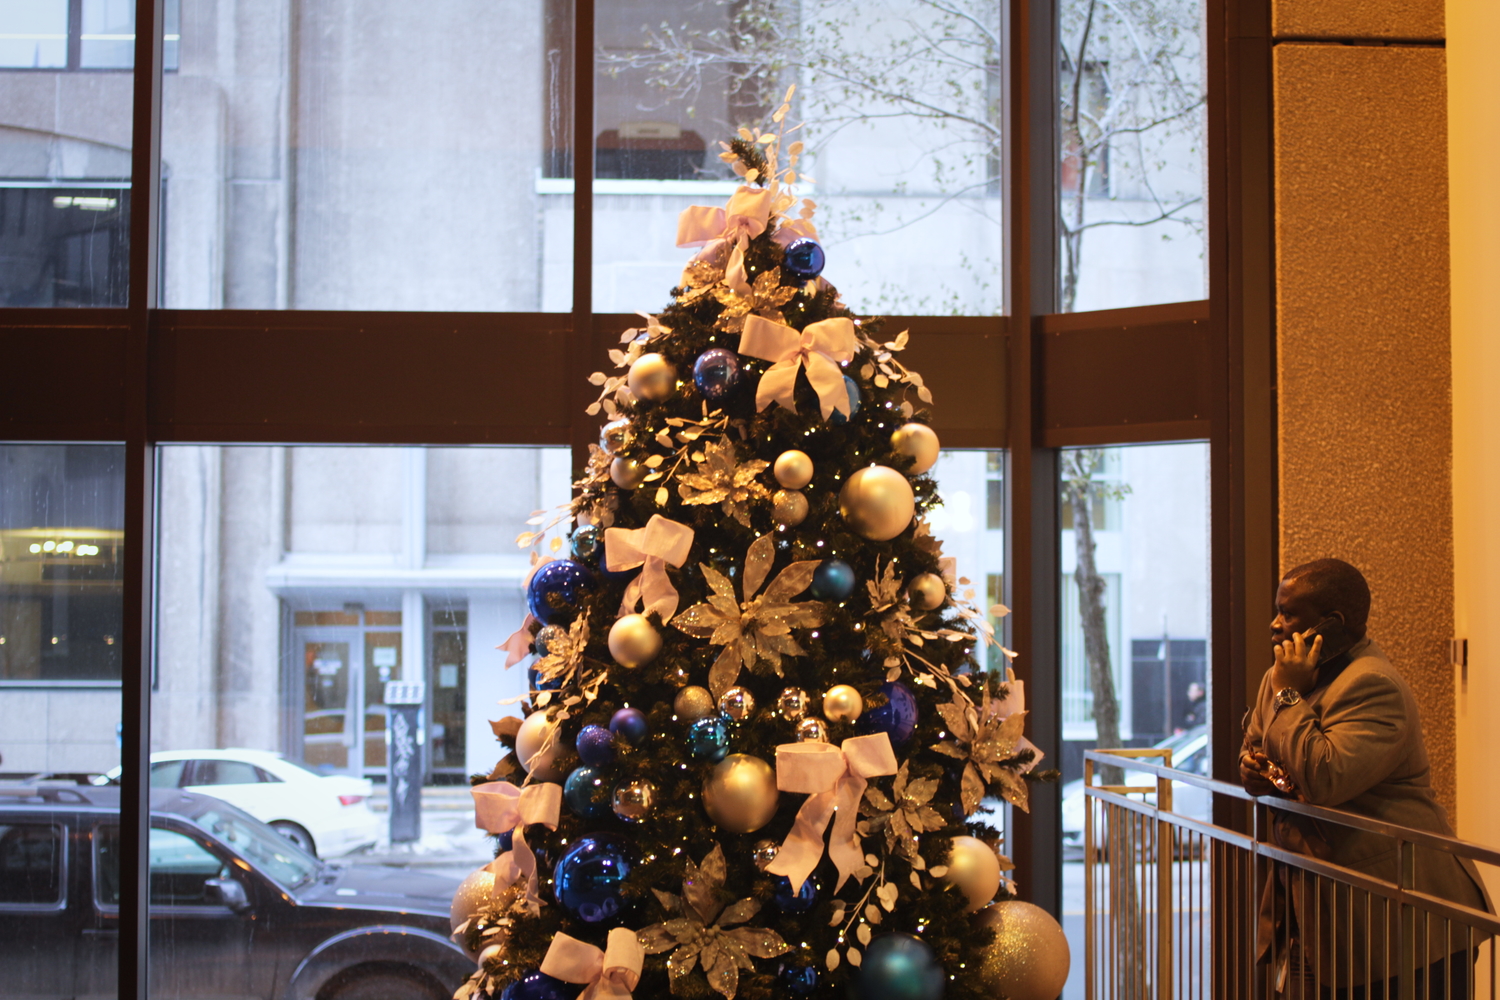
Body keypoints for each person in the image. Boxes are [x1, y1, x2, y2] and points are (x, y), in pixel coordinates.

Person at [1240, 558, 1491, 997]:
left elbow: (1324, 777)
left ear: (1330, 623)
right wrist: (1254, 769)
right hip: (1320, 907)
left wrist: (1288, 697)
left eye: (1289, 613)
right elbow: (1257, 750)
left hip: (1404, 917)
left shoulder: (1374, 685)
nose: (1275, 624)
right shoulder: (1280, 677)